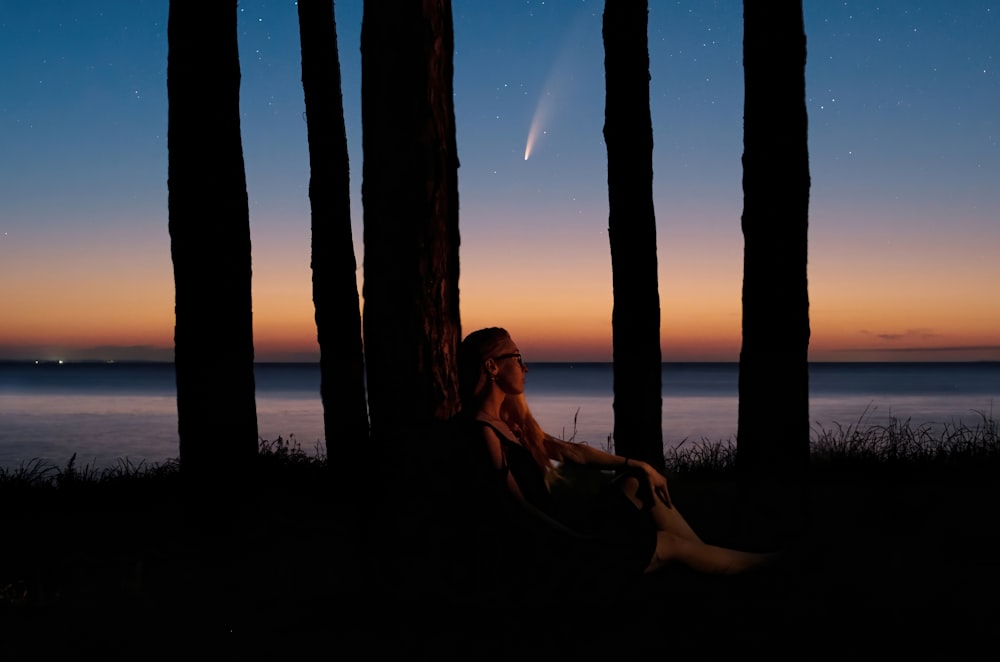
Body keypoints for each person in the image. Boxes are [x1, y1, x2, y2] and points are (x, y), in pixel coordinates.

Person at [457, 326, 773, 581]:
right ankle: (765, 566)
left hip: (567, 527)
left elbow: (570, 451)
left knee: (637, 483)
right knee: (670, 545)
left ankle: (711, 560)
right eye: (517, 357)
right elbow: (518, 508)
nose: (525, 367)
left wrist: (637, 465)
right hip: (553, 547)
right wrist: (578, 541)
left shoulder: (510, 424)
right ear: (491, 366)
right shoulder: (482, 431)